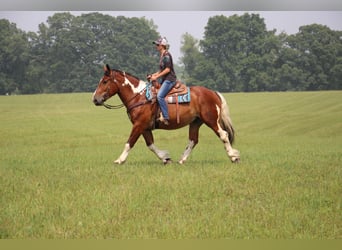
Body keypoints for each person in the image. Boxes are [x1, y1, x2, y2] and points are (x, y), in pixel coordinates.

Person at [150, 37, 177, 126]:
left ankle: (166, 117)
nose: (156, 46)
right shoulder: (162, 55)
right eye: (156, 44)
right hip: (164, 80)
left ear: (162, 46)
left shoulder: (167, 56)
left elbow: (168, 70)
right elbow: (161, 70)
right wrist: (153, 75)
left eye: (158, 45)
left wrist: (156, 76)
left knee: (160, 96)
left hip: (169, 80)